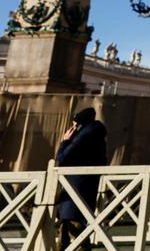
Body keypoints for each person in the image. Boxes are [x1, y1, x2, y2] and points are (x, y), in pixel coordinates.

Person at [55, 107, 108, 250]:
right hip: (86, 188)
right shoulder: (98, 137)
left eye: (74, 126)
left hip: (74, 189)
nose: (71, 129)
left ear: (79, 125)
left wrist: (65, 142)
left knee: (73, 230)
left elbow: (61, 159)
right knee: (69, 229)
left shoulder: (82, 138)